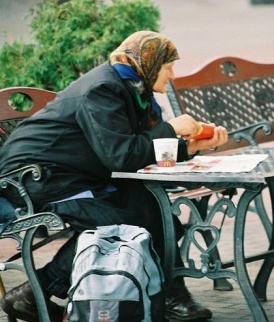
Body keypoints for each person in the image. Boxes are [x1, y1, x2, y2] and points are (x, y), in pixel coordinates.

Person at [0, 30, 228, 321]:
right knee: (118, 227)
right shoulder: (102, 89)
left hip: (76, 173)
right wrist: (171, 130)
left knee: (153, 207)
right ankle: (34, 291)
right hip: (36, 178)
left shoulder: (131, 88)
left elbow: (133, 148)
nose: (172, 76)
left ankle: (172, 295)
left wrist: (191, 146)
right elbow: (122, 155)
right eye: (168, 67)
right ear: (149, 63)